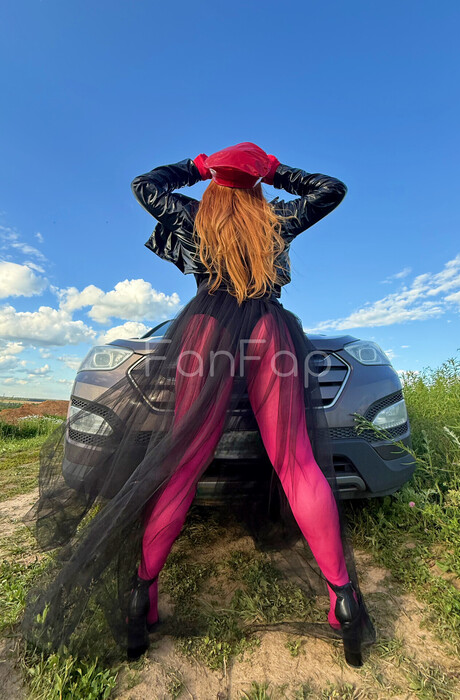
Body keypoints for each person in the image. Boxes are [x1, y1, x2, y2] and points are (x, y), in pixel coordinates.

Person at [22, 142, 375, 668]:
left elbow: (144, 185)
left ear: (214, 183)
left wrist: (196, 166)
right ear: (257, 184)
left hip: (206, 331)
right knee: (298, 465)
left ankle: (141, 598)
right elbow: (331, 189)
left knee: (182, 466)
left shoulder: (193, 215)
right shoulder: (276, 218)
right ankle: (343, 601)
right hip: (268, 331)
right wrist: (275, 172)